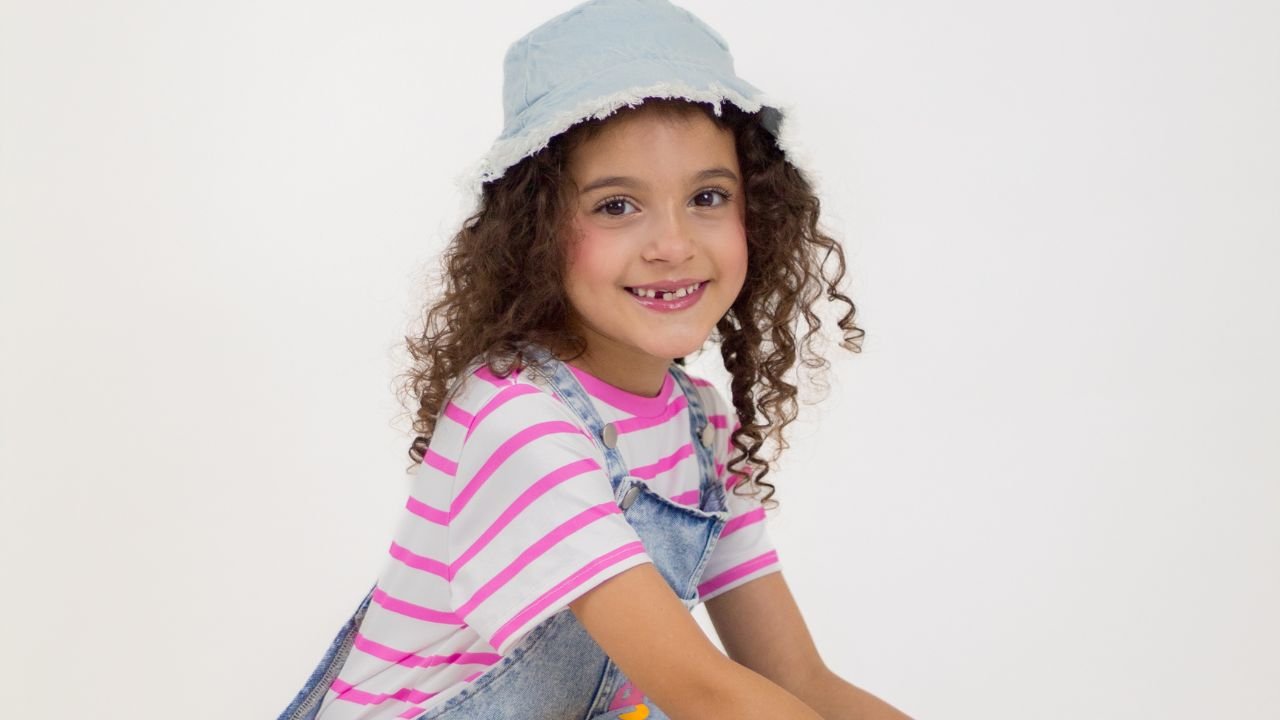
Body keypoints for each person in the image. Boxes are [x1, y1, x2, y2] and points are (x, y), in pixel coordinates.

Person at [278, 0, 911, 718]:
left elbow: (799, 680)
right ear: (535, 232)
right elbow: (706, 693)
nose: (673, 245)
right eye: (616, 206)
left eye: (707, 196)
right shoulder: (519, 423)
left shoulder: (701, 427)